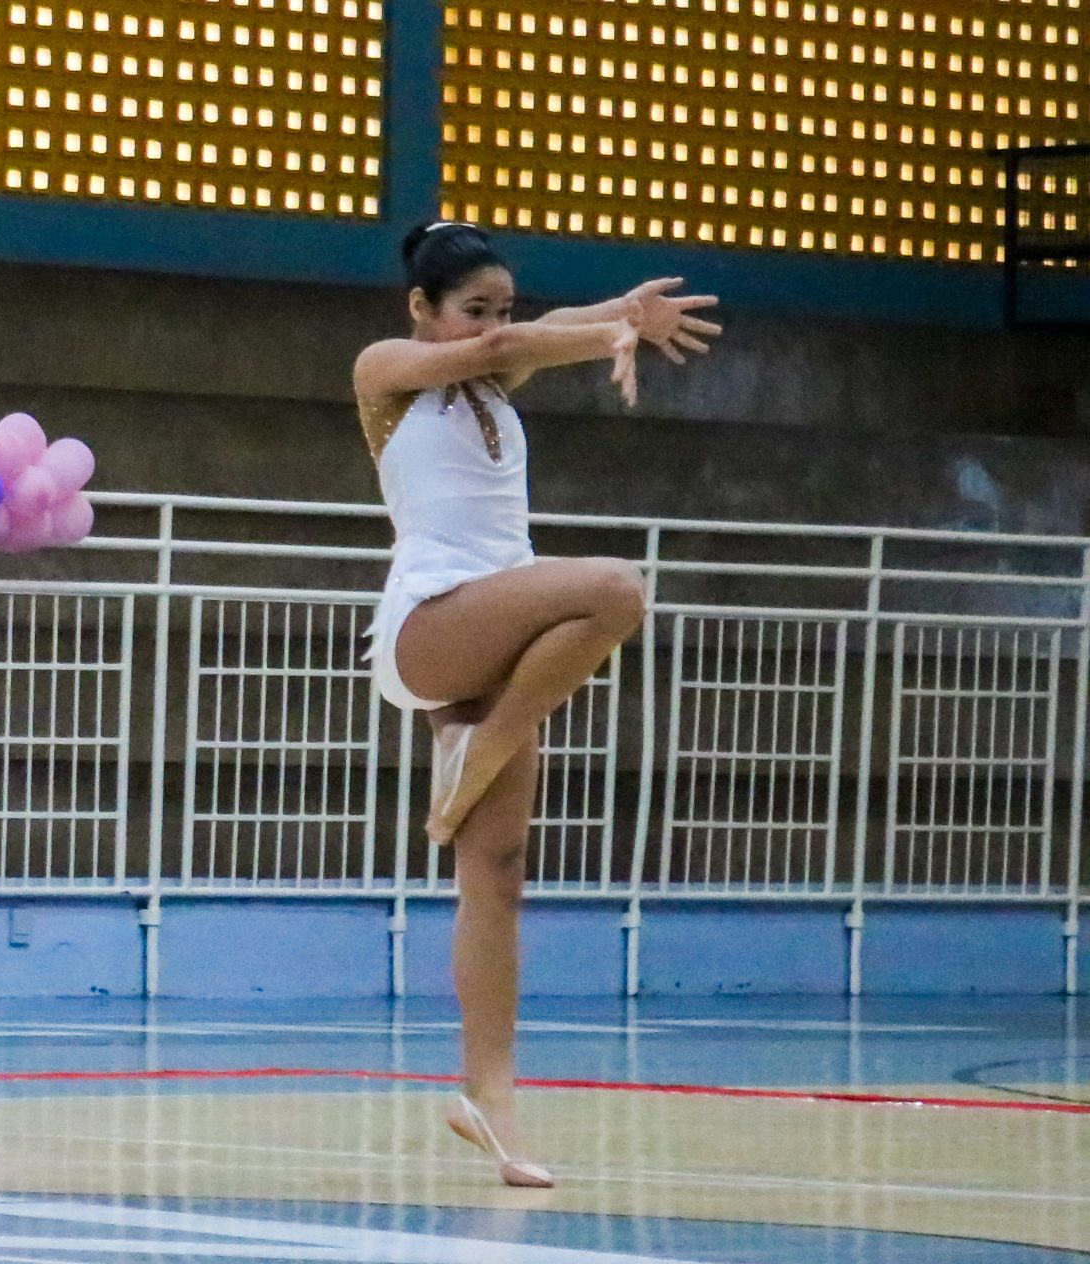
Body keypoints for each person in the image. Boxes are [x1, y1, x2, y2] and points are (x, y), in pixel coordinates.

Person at [352, 221, 718, 1189]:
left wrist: (620, 315)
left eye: (499, 305)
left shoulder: (489, 383)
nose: (491, 325)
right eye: (470, 309)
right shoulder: (385, 371)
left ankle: (489, 1098)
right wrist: (612, 331)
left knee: (498, 872)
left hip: (501, 627)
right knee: (612, 588)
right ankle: (479, 746)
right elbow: (515, 346)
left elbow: (530, 334)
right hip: (431, 621)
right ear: (420, 311)